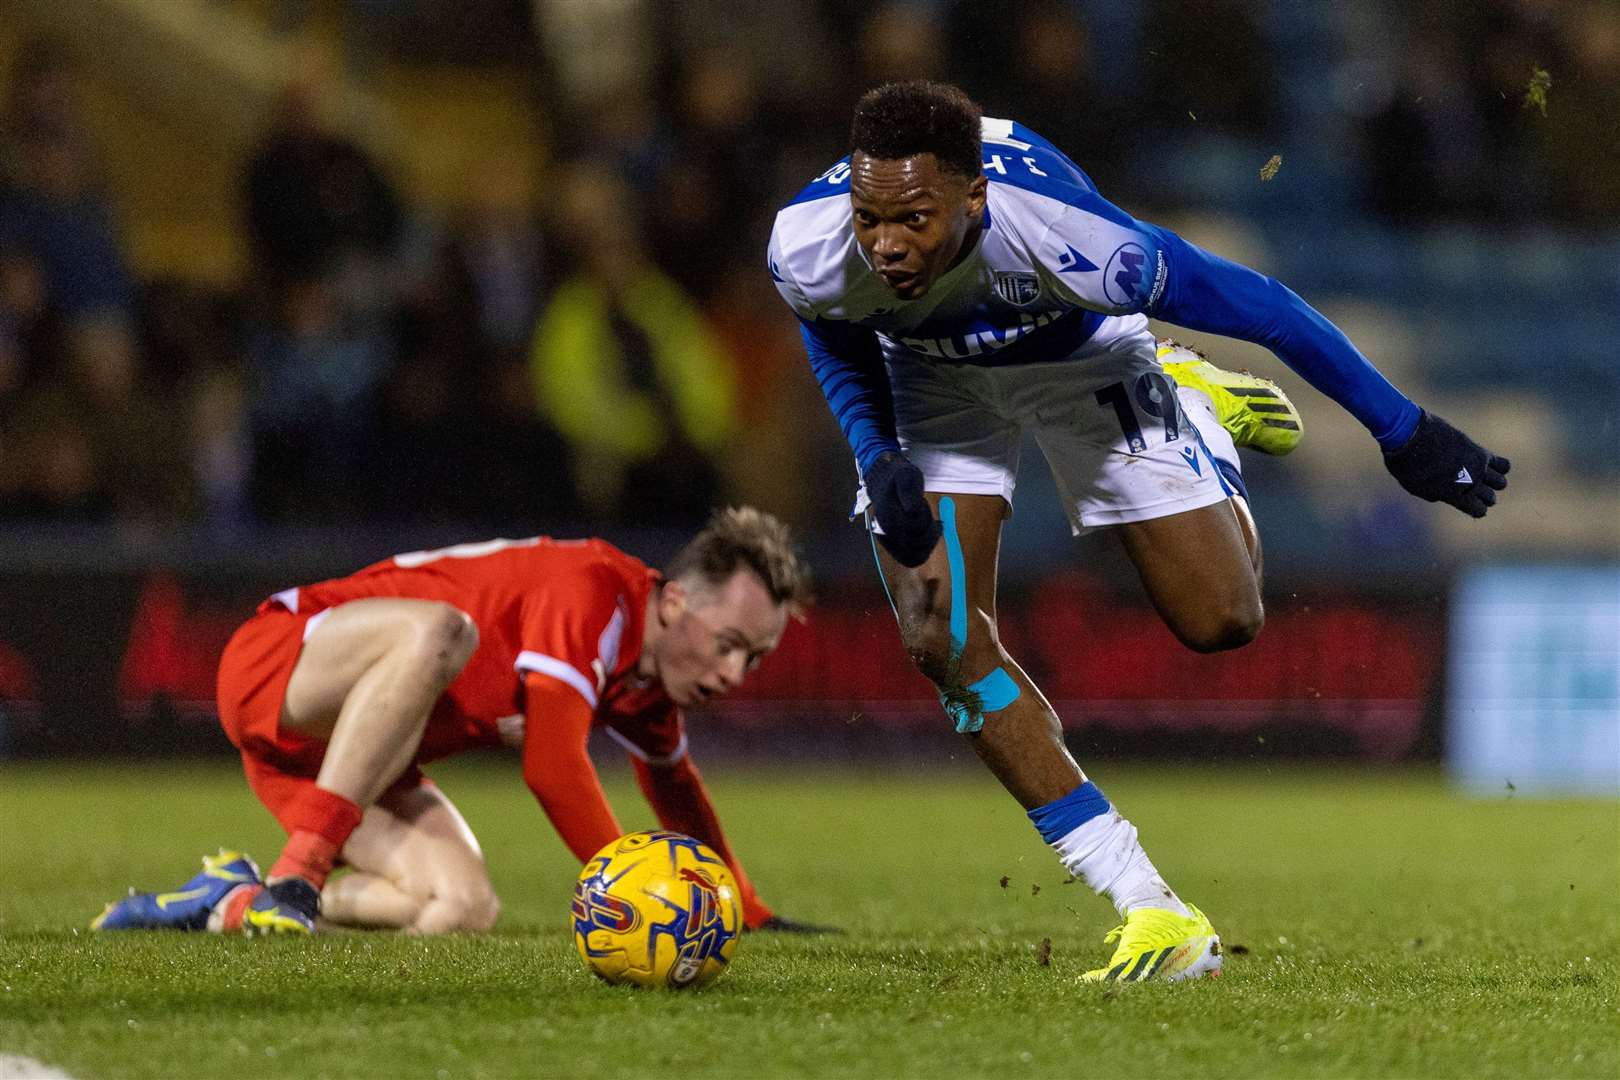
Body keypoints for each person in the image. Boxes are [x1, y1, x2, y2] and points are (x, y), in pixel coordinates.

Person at [767, 81, 1510, 982]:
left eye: (914, 220)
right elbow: (833, 325)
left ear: (975, 198)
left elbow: (1264, 306)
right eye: (870, 219)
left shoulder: (1068, 235)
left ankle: (1192, 400)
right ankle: (1151, 905)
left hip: (1082, 357)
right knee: (941, 633)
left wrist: (1404, 430)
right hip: (927, 380)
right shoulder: (805, 241)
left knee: (1222, 619)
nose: (886, 244)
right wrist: (878, 454)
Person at [93, 507, 819, 936]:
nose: (732, 675)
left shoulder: (650, 683)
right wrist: (633, 888)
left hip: (338, 760)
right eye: (728, 645)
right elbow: (552, 766)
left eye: (753, 660)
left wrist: (746, 909)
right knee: (443, 631)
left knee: (463, 906)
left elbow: (677, 789)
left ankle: (232, 901)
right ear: (673, 606)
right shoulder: (595, 593)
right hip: (280, 662)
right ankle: (298, 876)